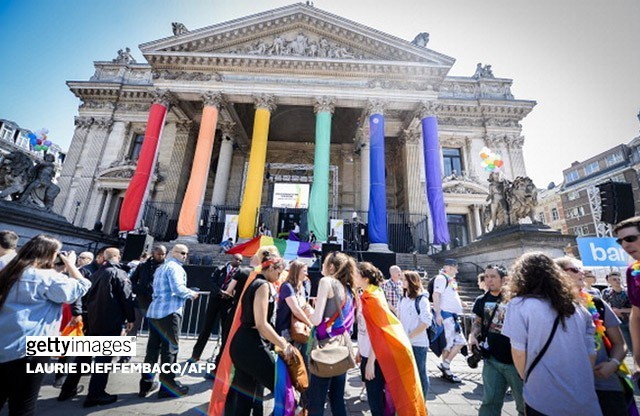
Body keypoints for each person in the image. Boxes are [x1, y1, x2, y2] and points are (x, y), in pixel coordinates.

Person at [0, 235, 91, 416]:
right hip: (32, 348)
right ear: (49, 254)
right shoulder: (46, 277)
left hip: (4, 343)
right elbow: (81, 285)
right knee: (23, 405)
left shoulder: (10, 270)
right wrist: (71, 263)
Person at [502, 252, 601, 416]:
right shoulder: (578, 308)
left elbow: (519, 352)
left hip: (543, 396)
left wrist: (526, 377)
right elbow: (591, 352)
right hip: (584, 397)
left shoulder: (519, 305)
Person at [555, 257, 628, 416]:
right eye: (574, 270)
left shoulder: (597, 304)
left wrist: (613, 364)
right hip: (568, 389)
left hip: (605, 385)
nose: (582, 273)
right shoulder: (548, 309)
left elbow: (619, 343)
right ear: (557, 275)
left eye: (581, 269)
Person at [225, 252, 295, 414]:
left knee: (244, 396)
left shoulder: (256, 282)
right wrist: (283, 344)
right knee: (283, 389)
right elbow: (262, 324)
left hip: (243, 344)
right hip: (252, 345)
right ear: (270, 267)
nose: (279, 277)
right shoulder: (263, 285)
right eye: (278, 273)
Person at [139, 244, 198, 398]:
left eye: (186, 253)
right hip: (170, 312)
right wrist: (191, 293)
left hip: (155, 311)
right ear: (173, 253)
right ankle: (167, 386)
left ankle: (145, 384)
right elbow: (178, 289)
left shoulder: (160, 268)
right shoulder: (175, 268)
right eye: (182, 253)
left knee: (152, 349)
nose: (185, 256)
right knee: (169, 350)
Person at [468, 265, 524, 416]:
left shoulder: (516, 299)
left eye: (493, 277)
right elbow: (478, 322)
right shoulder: (482, 300)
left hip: (516, 361)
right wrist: (473, 335)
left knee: (524, 405)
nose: (488, 280)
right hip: (491, 359)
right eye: (486, 276)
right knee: (489, 403)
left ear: (504, 279)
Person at [83, 248, 136, 407]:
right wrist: (131, 318)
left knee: (91, 356)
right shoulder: (118, 274)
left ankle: (70, 388)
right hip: (110, 320)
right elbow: (126, 297)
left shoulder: (96, 273)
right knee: (104, 359)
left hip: (94, 320)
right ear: (118, 257)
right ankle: (96, 394)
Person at [307, 251, 356, 416]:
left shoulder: (326, 281)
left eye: (324, 262)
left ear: (331, 267)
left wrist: (306, 311)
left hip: (325, 348)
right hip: (341, 347)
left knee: (316, 401)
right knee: (337, 399)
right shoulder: (349, 288)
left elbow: (316, 319)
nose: (321, 266)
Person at [190, 253, 242, 363]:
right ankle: (195, 355)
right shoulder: (220, 269)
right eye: (237, 259)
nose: (238, 262)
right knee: (206, 328)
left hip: (228, 303)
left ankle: (222, 357)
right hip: (215, 300)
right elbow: (211, 282)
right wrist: (219, 292)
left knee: (225, 331)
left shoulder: (240, 273)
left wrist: (230, 294)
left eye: (240, 261)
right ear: (232, 258)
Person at [397, 270, 432, 401]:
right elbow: (399, 320)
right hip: (404, 342)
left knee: (420, 372)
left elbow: (426, 322)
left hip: (418, 343)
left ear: (411, 282)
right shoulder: (402, 299)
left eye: (404, 280)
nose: (401, 282)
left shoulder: (422, 300)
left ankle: (422, 401)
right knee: (406, 373)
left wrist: (409, 336)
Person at [613, 216, 640, 380]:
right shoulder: (633, 271)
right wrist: (637, 359)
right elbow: (636, 315)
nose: (625, 245)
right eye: (620, 241)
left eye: (630, 238)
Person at [432, 258, 465, 383]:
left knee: (456, 342)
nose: (457, 271)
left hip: (452, 316)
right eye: (455, 268)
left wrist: (461, 303)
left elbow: (452, 295)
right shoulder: (441, 278)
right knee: (451, 343)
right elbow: (436, 295)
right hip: (447, 316)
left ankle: (446, 366)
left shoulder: (451, 280)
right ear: (450, 268)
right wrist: (438, 314)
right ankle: (446, 367)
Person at [129, 245, 166, 335]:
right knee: (133, 326)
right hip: (141, 299)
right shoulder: (143, 266)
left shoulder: (167, 267)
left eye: (163, 254)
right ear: (153, 253)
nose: (160, 256)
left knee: (157, 329)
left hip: (157, 301)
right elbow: (132, 280)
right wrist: (137, 289)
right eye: (158, 254)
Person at [602, 271, 632, 352]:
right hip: (618, 323)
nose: (617, 281)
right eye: (614, 279)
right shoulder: (606, 292)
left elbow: (636, 308)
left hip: (631, 321)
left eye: (619, 279)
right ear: (609, 281)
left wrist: (620, 310)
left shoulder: (628, 292)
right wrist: (613, 311)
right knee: (628, 346)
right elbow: (605, 307)